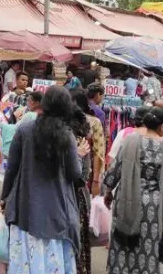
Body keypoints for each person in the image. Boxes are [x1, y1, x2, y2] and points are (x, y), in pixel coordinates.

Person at [0, 86, 83, 274]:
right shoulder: (67, 134)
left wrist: (5, 197)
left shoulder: (25, 129)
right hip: (57, 211)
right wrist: (78, 155)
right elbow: (75, 173)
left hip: (25, 208)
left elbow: (11, 168)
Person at [104, 107, 163, 274]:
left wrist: (108, 192)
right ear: (162, 126)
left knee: (123, 243)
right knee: (148, 245)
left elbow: (115, 171)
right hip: (153, 206)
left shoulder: (130, 141)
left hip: (126, 199)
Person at [65, 105, 93, 274]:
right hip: (78, 195)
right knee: (78, 235)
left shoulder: (65, 140)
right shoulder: (81, 141)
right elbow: (83, 176)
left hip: (66, 194)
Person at [71, 88, 107, 196]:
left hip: (77, 173)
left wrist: (96, 179)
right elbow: (98, 152)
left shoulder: (61, 120)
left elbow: (98, 152)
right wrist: (96, 179)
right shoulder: (94, 121)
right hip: (84, 174)